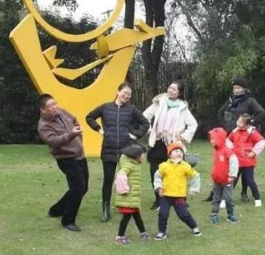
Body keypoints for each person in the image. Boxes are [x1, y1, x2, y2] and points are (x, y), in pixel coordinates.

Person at [86, 82, 150, 222]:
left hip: (126, 150)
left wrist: (136, 135)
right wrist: (100, 130)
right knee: (108, 180)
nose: (126, 96)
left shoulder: (131, 110)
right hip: (108, 148)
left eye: (129, 95)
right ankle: (105, 209)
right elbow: (89, 117)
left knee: (126, 178)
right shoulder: (106, 107)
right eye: (124, 93)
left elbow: (145, 123)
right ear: (118, 91)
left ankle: (126, 206)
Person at [205, 77, 265, 202]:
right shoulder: (230, 101)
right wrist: (224, 126)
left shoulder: (250, 101)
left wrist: (251, 124)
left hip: (245, 137)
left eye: (238, 88)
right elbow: (220, 112)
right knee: (227, 163)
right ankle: (218, 191)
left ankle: (244, 193)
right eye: (234, 88)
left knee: (245, 165)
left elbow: (262, 113)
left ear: (244, 89)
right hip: (231, 135)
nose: (236, 90)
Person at [143, 81, 198, 210]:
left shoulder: (182, 107)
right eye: (170, 88)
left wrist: (183, 136)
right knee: (155, 172)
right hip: (157, 143)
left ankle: (180, 199)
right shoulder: (159, 102)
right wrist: (149, 129)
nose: (171, 90)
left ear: (179, 93)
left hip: (173, 145)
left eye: (174, 89)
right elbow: (145, 116)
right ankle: (158, 200)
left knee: (177, 172)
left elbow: (193, 124)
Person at [37, 94, 88, 232]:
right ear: (43, 110)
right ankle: (68, 221)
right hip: (66, 159)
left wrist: (78, 133)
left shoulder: (62, 112)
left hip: (80, 155)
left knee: (83, 187)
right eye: (50, 106)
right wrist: (72, 134)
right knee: (78, 187)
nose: (54, 107)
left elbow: (74, 120)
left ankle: (55, 210)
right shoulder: (44, 126)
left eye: (55, 103)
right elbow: (54, 142)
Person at [153, 142, 201, 240]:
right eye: (175, 151)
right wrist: (158, 187)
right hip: (165, 196)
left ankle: (194, 227)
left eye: (180, 151)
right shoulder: (163, 166)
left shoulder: (186, 166)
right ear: (169, 154)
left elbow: (195, 176)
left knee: (183, 214)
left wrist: (194, 189)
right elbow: (157, 176)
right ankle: (162, 232)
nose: (178, 153)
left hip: (179, 196)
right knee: (163, 214)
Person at [114, 143, 151, 245]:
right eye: (142, 155)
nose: (143, 157)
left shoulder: (134, 164)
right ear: (136, 156)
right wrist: (124, 190)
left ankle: (143, 232)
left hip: (133, 198)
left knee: (137, 215)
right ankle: (119, 236)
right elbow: (121, 175)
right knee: (126, 217)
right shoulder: (129, 165)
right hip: (128, 198)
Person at [227, 114, 265, 206]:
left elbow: (261, 141)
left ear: (247, 125)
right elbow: (228, 140)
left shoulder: (252, 133)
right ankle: (227, 199)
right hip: (236, 162)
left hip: (248, 162)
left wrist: (254, 152)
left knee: (250, 181)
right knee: (232, 181)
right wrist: (231, 149)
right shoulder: (235, 131)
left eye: (240, 122)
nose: (238, 123)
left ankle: (257, 199)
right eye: (238, 121)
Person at [208, 128, 239, 224]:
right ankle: (214, 214)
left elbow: (234, 163)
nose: (211, 141)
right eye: (211, 139)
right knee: (216, 198)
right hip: (217, 180)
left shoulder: (227, 151)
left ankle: (230, 215)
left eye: (213, 138)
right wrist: (214, 174)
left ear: (220, 139)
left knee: (228, 198)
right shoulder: (216, 151)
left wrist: (232, 175)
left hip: (227, 181)